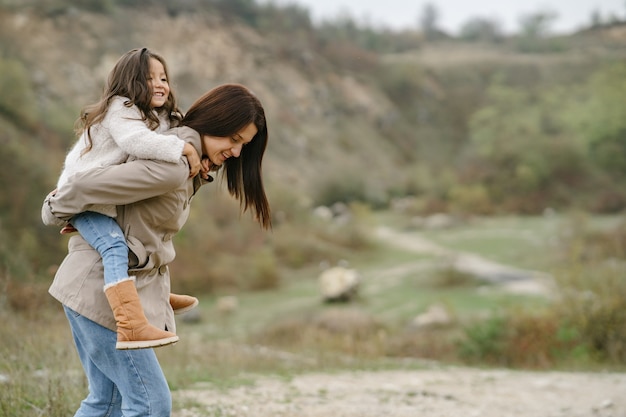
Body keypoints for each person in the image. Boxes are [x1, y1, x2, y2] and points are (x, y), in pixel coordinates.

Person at [42, 82, 271, 416]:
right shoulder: (173, 164)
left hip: (90, 287)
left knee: (106, 402)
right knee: (151, 403)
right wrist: (53, 207)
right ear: (214, 121)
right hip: (99, 290)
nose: (236, 152)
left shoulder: (183, 162)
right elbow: (88, 184)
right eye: (233, 139)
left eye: (243, 145)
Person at [52, 47, 205, 349]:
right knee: (115, 246)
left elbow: (171, 132)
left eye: (164, 78)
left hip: (104, 200)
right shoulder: (120, 108)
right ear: (130, 83)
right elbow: (136, 141)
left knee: (142, 235)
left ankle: (150, 295)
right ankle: (130, 321)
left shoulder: (154, 116)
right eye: (150, 79)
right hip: (86, 199)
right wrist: (183, 150)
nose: (161, 84)